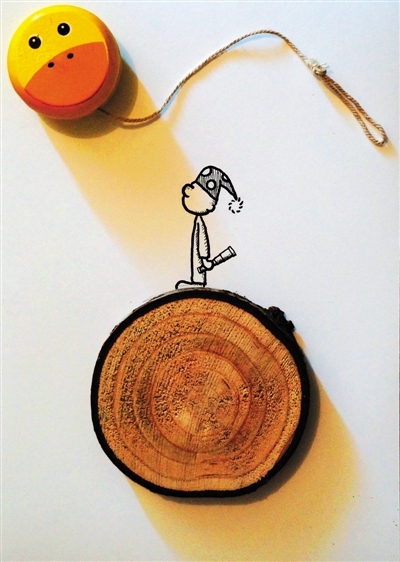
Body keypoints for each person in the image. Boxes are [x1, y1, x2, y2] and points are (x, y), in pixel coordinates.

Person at [175, 166, 242, 289]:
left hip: (200, 260)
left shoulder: (200, 222)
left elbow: (202, 241)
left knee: (197, 263)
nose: (211, 208)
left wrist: (205, 259)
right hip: (199, 259)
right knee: (195, 261)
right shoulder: (198, 220)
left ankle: (198, 282)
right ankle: (197, 281)